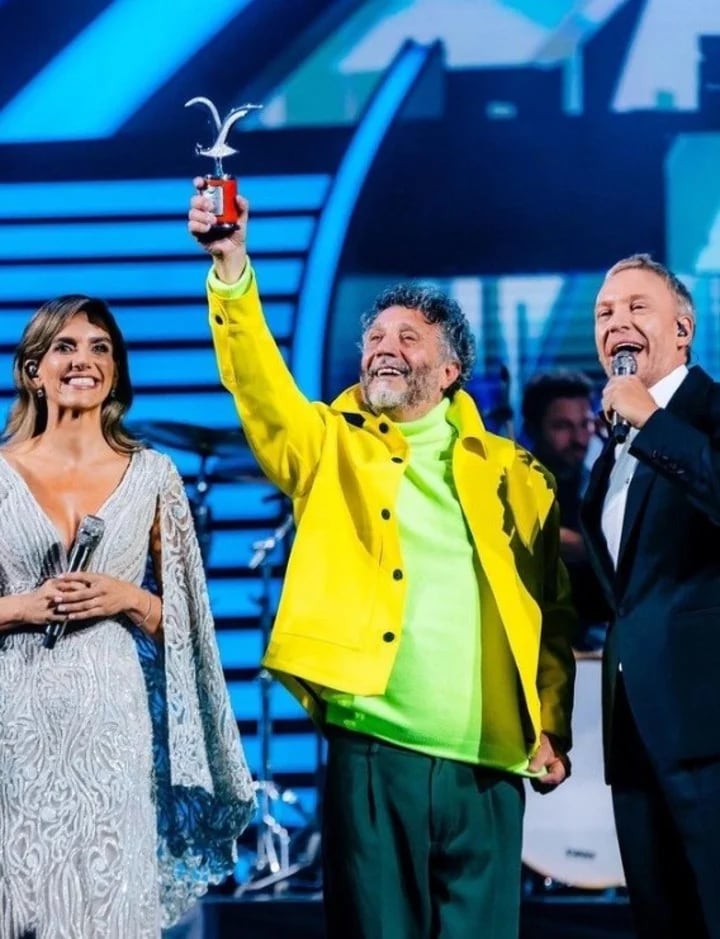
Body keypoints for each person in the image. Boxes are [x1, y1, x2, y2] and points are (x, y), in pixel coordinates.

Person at [188, 179, 576, 939]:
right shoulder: (329, 441)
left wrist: (552, 722)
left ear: (450, 369)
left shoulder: (516, 474)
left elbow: (550, 611)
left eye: (408, 338)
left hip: (490, 766)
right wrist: (232, 268)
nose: (383, 347)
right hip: (374, 749)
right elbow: (263, 392)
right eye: (375, 335)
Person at [0, 295, 256, 938]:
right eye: (65, 347)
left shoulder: (154, 476)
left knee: (109, 904)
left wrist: (132, 600)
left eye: (100, 348)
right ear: (33, 370)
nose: (83, 360)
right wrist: (23, 606)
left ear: (116, 371)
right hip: (14, 722)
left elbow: (191, 631)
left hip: (113, 730)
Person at [580, 253, 720, 939]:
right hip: (635, 734)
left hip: (710, 725)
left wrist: (654, 424)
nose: (617, 323)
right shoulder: (612, 446)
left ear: (683, 328)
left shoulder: (707, 411)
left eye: (637, 307)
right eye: (605, 314)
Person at [520, 369, 609, 651]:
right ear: (533, 428)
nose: (579, 438)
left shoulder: (606, 480)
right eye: (562, 426)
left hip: (598, 643)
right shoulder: (510, 485)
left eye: (585, 424)